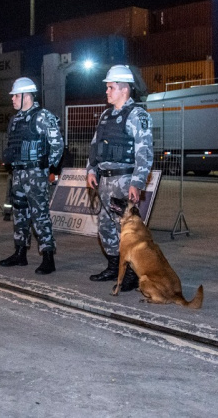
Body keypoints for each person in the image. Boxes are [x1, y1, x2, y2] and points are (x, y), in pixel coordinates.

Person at [85, 65, 153, 291]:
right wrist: (91, 169)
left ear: (124, 89)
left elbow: (145, 152)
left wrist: (137, 182)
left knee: (124, 229)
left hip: (124, 181)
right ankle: (114, 267)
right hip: (105, 181)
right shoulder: (106, 115)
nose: (107, 91)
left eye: (110, 87)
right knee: (105, 228)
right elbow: (95, 146)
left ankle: (132, 274)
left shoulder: (137, 115)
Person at [0, 77, 63, 274]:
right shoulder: (16, 120)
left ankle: (48, 257)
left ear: (27, 96)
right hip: (17, 173)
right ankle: (20, 253)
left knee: (40, 215)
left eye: (16, 95)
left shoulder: (43, 116)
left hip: (35, 174)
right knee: (19, 214)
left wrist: (47, 166)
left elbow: (58, 145)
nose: (12, 99)